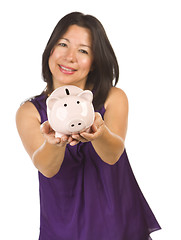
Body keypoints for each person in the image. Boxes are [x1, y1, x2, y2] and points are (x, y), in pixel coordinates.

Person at [16, 12, 161, 240]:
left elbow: (113, 153)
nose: (70, 57)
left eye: (83, 50)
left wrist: (99, 133)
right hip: (63, 229)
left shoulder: (113, 98)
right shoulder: (30, 112)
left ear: (94, 63)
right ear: (50, 50)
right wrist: (55, 142)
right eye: (63, 44)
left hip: (118, 225)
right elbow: (46, 167)